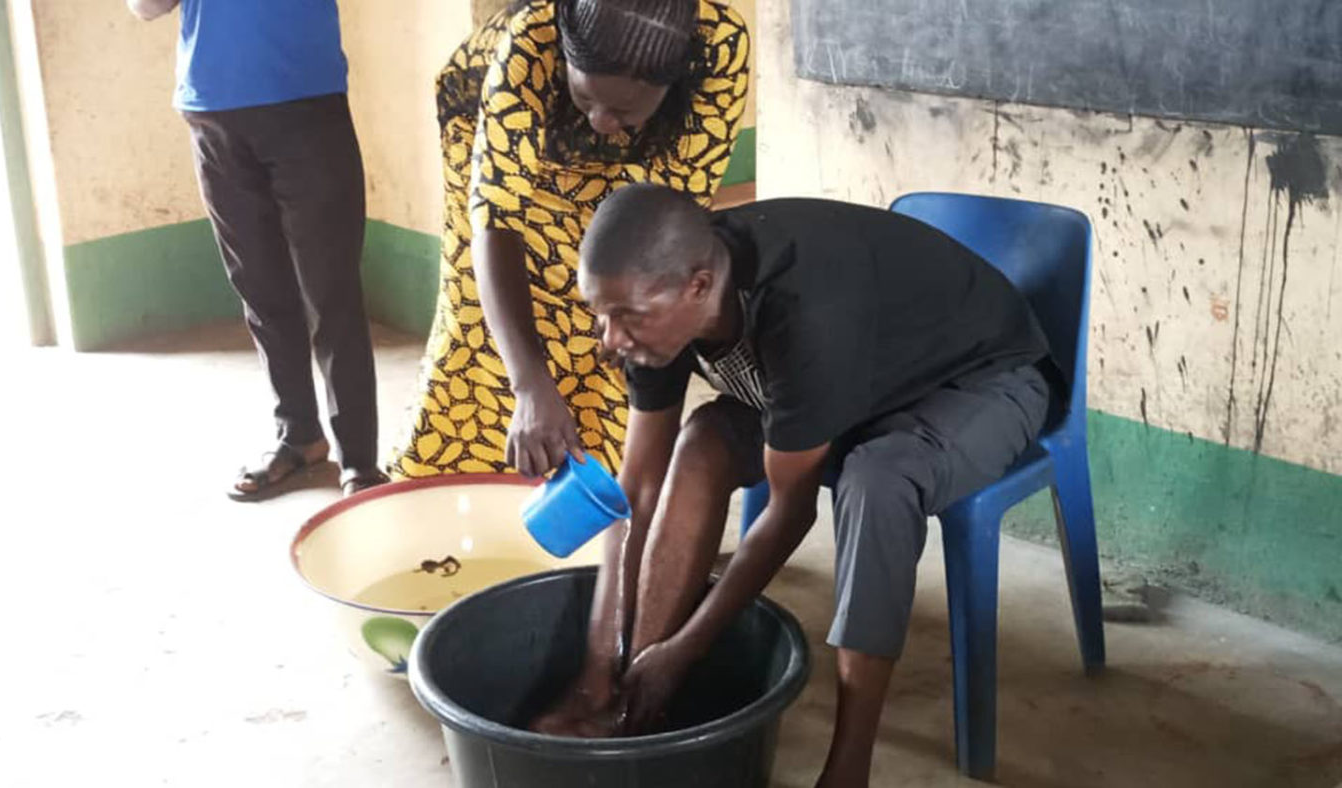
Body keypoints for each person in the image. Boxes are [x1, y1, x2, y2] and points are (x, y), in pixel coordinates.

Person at [541, 183, 1059, 786]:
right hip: (860, 384)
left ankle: (849, 765)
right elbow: (637, 493)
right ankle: (635, 701)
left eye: (626, 318)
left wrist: (688, 648)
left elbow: (791, 514)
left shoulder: (803, 305)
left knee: (877, 480)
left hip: (982, 383)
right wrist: (600, 667)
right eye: (600, 315)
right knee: (703, 441)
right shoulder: (652, 294)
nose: (611, 339)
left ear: (699, 288)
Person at [388, 0, 750, 480]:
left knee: (607, 313)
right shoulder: (530, 41)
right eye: (586, 99)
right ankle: (463, 482)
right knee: (481, 329)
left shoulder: (718, 46)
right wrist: (529, 385)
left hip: (638, 161)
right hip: (498, 133)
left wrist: (629, 320)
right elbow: (496, 220)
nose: (599, 119)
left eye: (619, 107)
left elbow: (673, 207)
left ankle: (593, 484)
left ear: (670, 79)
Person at [128, 0, 389, 499]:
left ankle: (359, 462)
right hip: (210, 109)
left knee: (330, 291)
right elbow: (144, 6)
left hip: (305, 102)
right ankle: (299, 436)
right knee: (261, 289)